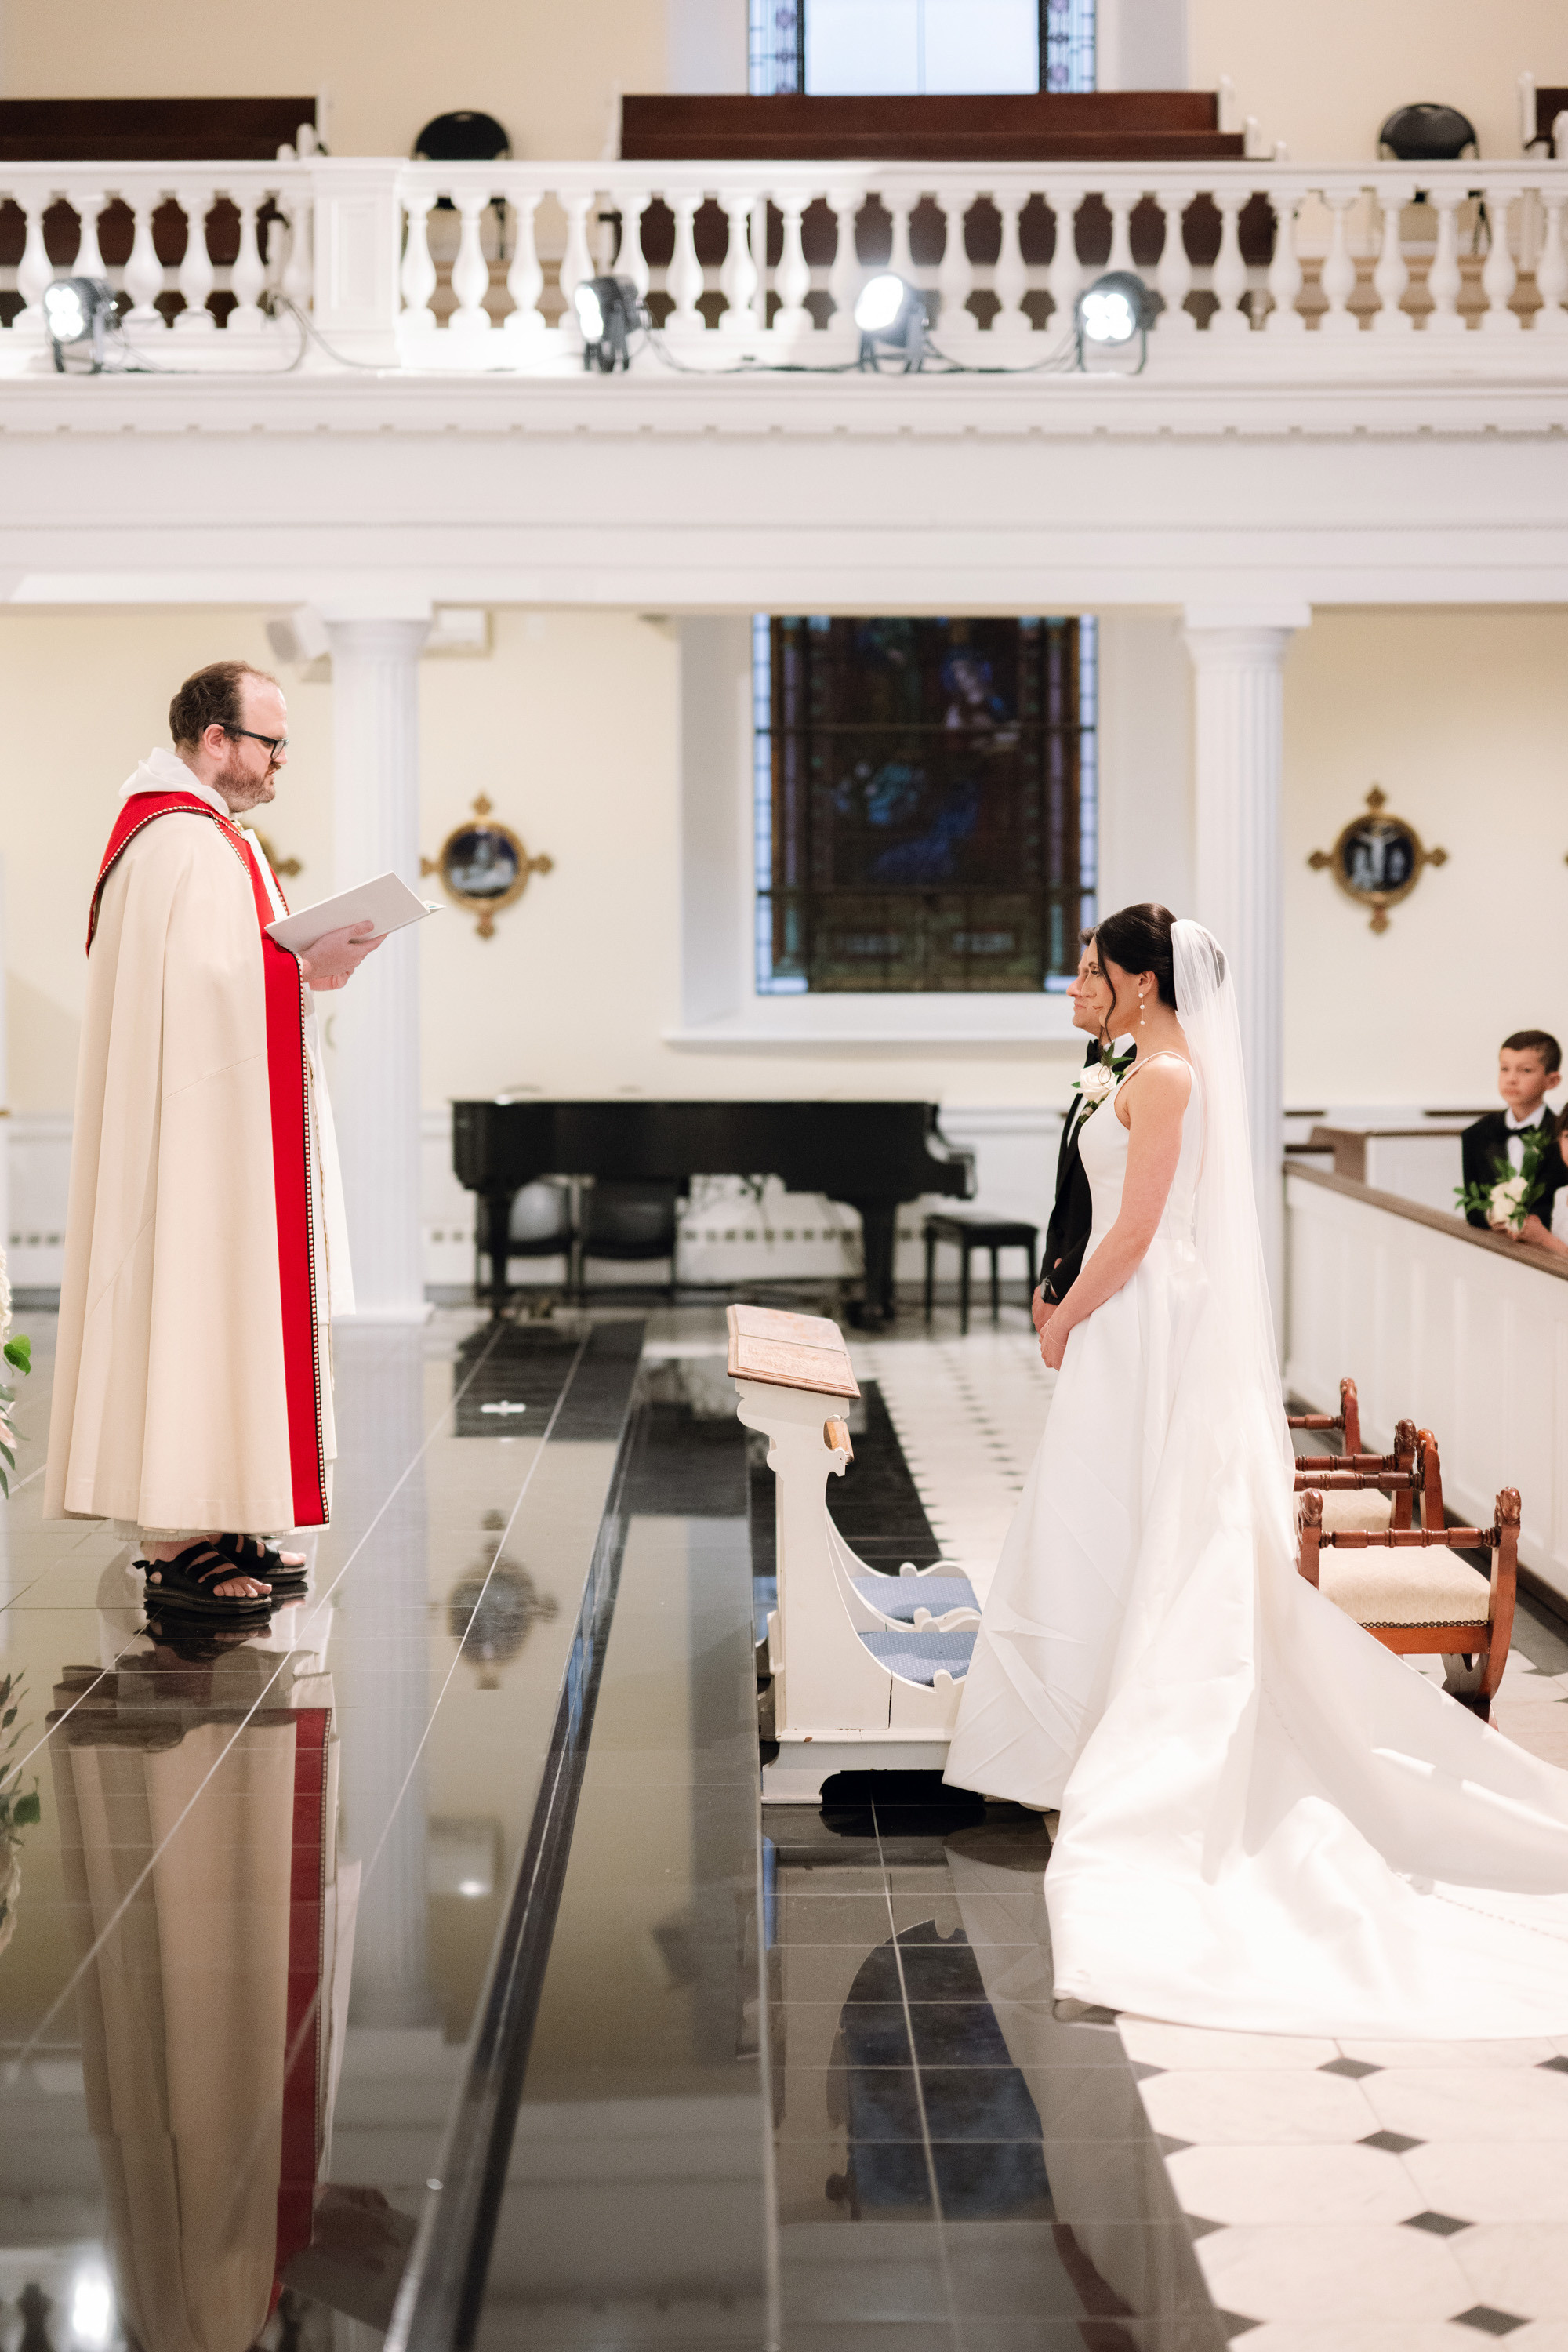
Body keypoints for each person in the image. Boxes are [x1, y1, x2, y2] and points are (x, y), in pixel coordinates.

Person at [945, 902, 1568, 2037]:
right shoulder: (1138, 1065)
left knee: (1136, 1509)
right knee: (1102, 1511)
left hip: (1145, 1317)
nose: (1083, 980)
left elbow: (1139, 1231)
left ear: (1143, 982)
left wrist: (1064, 1317)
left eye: (1097, 967)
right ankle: (1069, 1728)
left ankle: (1119, 1739)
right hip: (1127, 1316)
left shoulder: (1170, 1079)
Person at [45, 660, 383, 1613]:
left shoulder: (208, 839)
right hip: (193, 1135)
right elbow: (204, 1000)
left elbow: (227, 983)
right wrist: (306, 970)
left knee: (228, 1304)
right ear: (215, 741)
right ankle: (177, 1533)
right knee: (192, 1300)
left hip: (224, 1123)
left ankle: (226, 1511)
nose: (282, 762)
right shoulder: (181, 843)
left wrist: (309, 973)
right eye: (270, 742)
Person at [1029, 943, 1133, 1340]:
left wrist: (1061, 1282)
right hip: (1070, 1273)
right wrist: (1048, 1278)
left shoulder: (1145, 1072)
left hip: (1107, 1280)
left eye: (1090, 973)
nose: (1074, 989)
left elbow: (1119, 1200)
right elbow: (1071, 1187)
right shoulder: (1101, 1061)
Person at [1461, 1029, 1562, 1230]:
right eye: (1505, 1069)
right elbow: (1472, 1208)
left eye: (1525, 1070)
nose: (1511, 1079)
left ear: (1552, 1081)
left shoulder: (1562, 1136)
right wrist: (1493, 1215)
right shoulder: (1476, 1135)